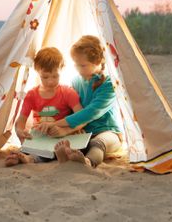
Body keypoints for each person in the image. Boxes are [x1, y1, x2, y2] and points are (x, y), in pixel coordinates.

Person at [34, 35, 122, 168]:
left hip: (108, 132)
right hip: (83, 133)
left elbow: (89, 113)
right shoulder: (76, 81)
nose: (78, 69)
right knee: (60, 143)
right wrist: (62, 128)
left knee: (98, 143)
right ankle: (33, 158)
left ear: (98, 62)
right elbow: (70, 109)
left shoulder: (109, 84)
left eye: (83, 65)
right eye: (75, 64)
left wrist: (63, 128)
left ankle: (88, 162)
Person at [5, 47, 82, 166]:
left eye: (55, 76)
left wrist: (67, 131)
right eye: (45, 77)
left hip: (61, 135)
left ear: (62, 69)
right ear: (37, 71)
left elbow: (82, 118)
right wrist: (20, 131)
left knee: (64, 148)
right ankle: (25, 157)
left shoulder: (68, 92)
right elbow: (20, 121)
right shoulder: (32, 95)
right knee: (34, 149)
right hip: (40, 137)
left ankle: (29, 158)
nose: (50, 82)